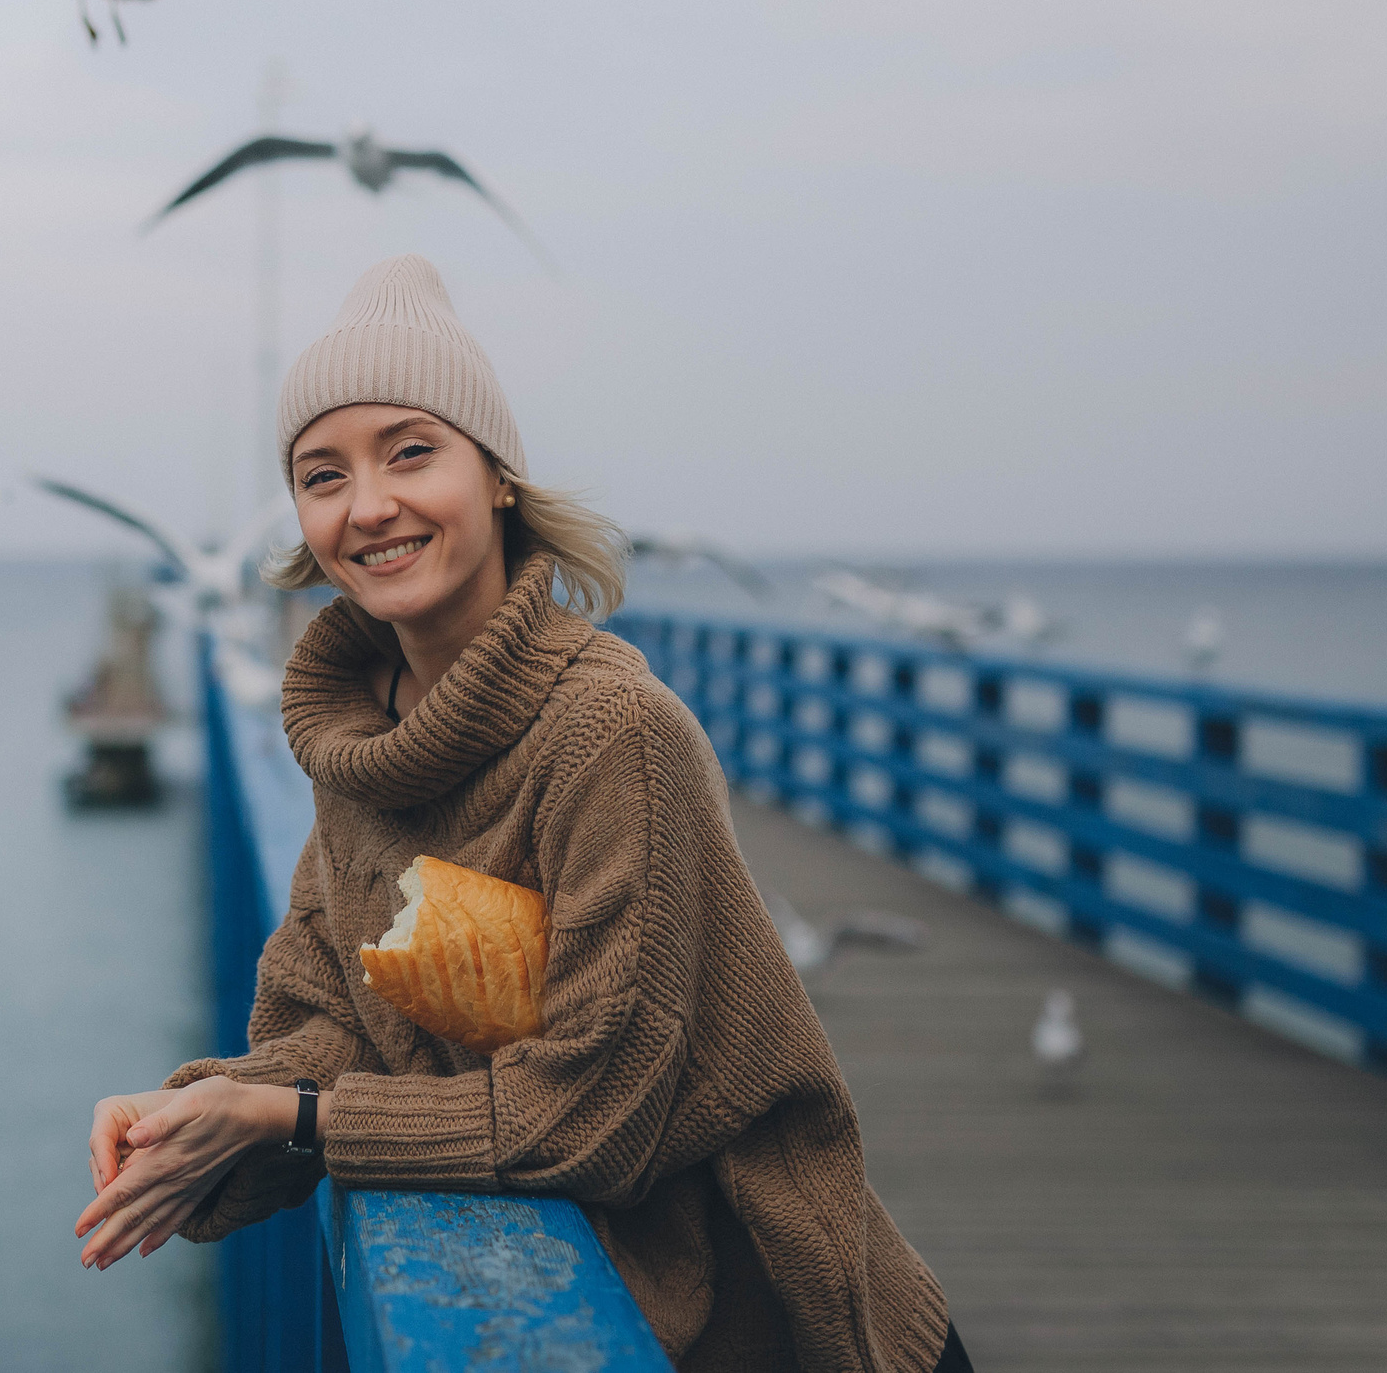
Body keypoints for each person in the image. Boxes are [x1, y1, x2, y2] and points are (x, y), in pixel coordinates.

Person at [74, 255, 969, 1372]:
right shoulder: (355, 738)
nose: (369, 505)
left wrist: (290, 1119)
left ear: (497, 477)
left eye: (411, 452)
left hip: (775, 1321)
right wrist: (198, 1116)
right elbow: (327, 1022)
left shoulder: (613, 737)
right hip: (582, 1297)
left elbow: (592, 1114)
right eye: (321, 474)